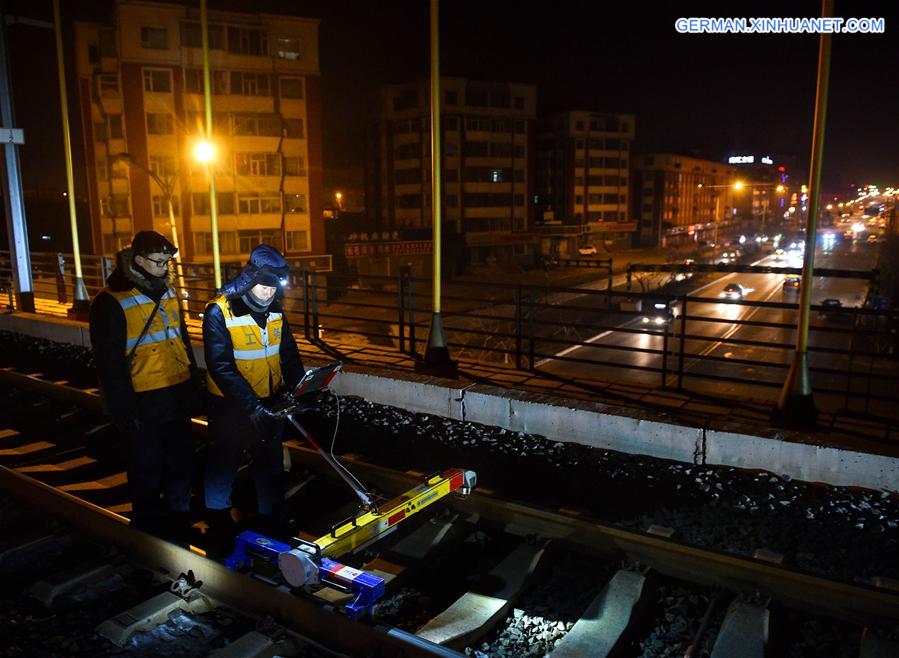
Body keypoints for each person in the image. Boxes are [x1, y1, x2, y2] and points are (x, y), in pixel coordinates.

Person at [89, 231, 202, 535]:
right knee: (146, 467)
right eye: (158, 262)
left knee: (181, 462)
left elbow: (182, 342)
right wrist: (123, 409)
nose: (164, 268)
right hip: (142, 399)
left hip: (175, 394)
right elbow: (109, 363)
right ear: (138, 260)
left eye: (167, 262)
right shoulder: (111, 301)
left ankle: (178, 517)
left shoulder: (168, 293)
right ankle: (148, 525)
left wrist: (193, 385)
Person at [203, 244, 304, 537]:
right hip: (229, 406)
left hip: (268, 401)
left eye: (273, 288)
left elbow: (289, 355)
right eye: (262, 286)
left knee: (269, 462)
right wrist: (250, 405)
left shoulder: (275, 310)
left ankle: (269, 517)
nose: (267, 293)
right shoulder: (219, 312)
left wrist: (302, 390)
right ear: (248, 279)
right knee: (225, 460)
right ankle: (218, 516)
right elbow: (221, 366)